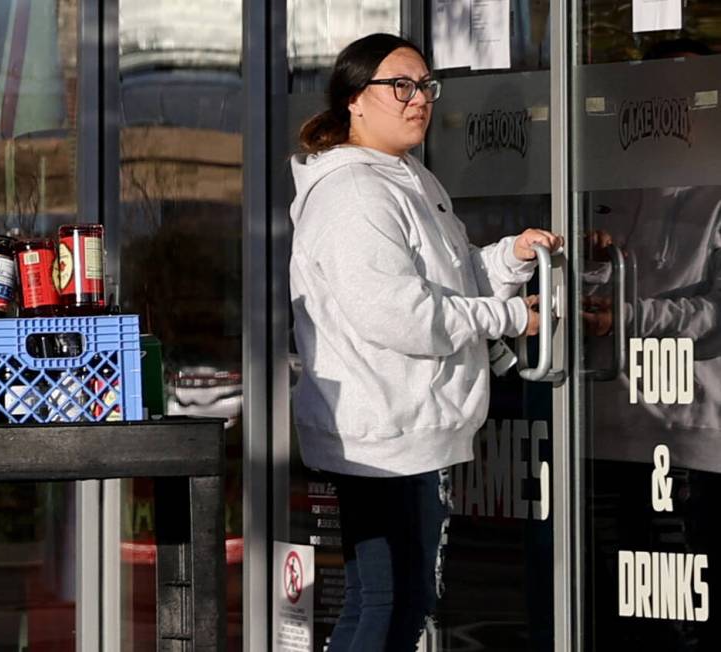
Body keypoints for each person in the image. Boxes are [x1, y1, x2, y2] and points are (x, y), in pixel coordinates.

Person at [288, 33, 563, 650]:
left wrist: (511, 259)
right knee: (390, 603)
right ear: (356, 100)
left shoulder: (406, 178)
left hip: (405, 425)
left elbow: (452, 277)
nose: (419, 100)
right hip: (381, 432)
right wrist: (511, 319)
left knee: (390, 601)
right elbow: (402, 315)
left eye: (426, 87)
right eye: (401, 86)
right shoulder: (355, 194)